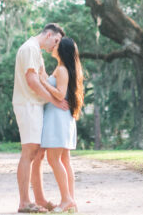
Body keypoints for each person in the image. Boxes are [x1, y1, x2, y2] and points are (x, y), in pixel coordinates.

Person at [13, 24, 67, 214]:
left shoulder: (36, 51)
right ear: (49, 34)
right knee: (29, 152)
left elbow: (43, 77)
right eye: (56, 41)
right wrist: (54, 100)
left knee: (38, 154)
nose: (56, 46)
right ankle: (24, 202)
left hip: (36, 106)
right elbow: (32, 81)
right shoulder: (29, 48)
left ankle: (40, 199)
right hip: (28, 105)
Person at [38, 37, 83, 213]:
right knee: (64, 160)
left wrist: (42, 82)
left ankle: (66, 199)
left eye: (56, 44)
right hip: (62, 117)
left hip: (58, 118)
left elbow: (59, 94)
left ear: (62, 49)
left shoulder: (62, 70)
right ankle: (70, 200)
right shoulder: (62, 69)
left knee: (54, 159)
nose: (53, 46)